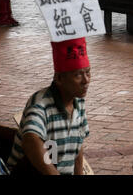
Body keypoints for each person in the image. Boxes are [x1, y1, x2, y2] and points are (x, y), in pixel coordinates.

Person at [7, 37, 91, 175]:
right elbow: (31, 140)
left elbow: (78, 144)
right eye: (78, 75)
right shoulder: (40, 103)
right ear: (59, 79)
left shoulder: (79, 103)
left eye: (88, 72)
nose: (86, 80)